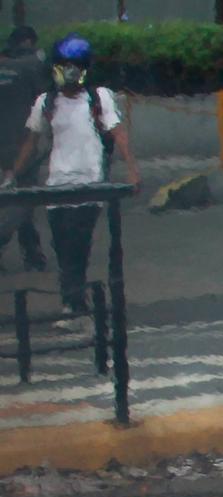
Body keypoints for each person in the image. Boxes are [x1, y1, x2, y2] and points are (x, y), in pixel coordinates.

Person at [5, 35, 138, 317]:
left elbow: (118, 133)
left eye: (75, 66)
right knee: (63, 247)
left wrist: (132, 171)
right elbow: (31, 141)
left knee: (78, 245)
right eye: (65, 65)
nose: (70, 72)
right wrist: (13, 174)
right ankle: (73, 300)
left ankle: (74, 303)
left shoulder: (98, 98)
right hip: (57, 188)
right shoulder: (46, 102)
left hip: (88, 186)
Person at [0, 23, 45, 271]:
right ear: (29, 42)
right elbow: (44, 100)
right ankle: (30, 251)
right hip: (23, 143)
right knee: (25, 197)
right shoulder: (32, 66)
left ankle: (31, 250)